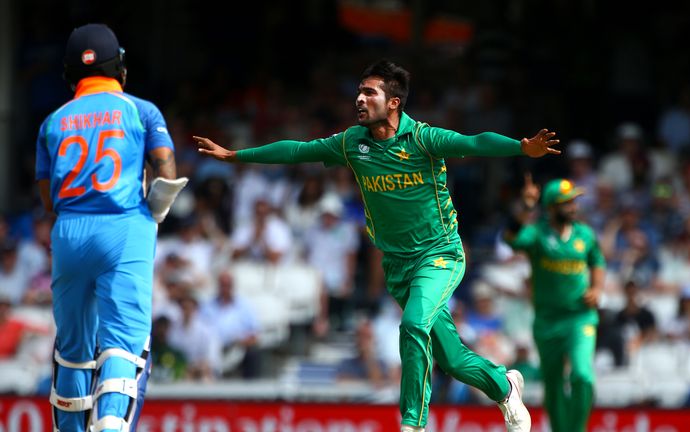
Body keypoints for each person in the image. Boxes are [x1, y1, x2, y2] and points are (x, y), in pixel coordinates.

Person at [194, 59, 561, 432]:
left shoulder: (423, 138)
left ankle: (413, 424)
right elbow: (296, 150)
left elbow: (475, 142)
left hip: (440, 255)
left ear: (393, 103)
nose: (359, 98)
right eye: (359, 91)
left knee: (413, 325)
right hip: (398, 266)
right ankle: (505, 385)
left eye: (370, 92)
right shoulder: (353, 143)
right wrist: (236, 155)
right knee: (451, 358)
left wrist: (522, 147)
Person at [35, 24, 186, 432]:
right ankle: (111, 424)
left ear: (71, 74)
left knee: (73, 349)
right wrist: (156, 206)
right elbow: (166, 169)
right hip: (123, 227)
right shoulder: (141, 110)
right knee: (124, 341)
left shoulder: (52, 122)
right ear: (119, 68)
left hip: (68, 232)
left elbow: (48, 199)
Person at [503, 175, 605, 432]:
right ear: (550, 208)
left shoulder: (584, 234)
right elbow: (510, 238)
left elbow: (597, 261)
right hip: (547, 320)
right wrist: (526, 207)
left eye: (574, 201)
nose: (573, 207)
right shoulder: (537, 234)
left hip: (580, 317)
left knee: (582, 376)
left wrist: (597, 288)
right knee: (554, 384)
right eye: (565, 203)